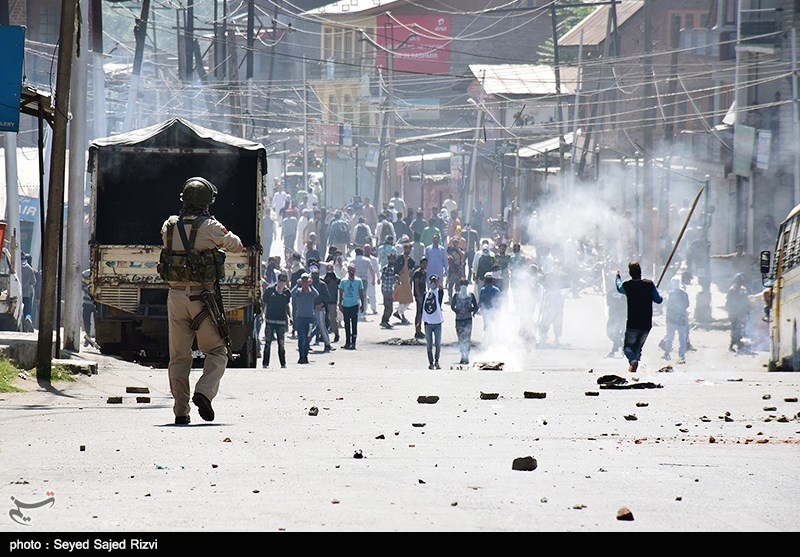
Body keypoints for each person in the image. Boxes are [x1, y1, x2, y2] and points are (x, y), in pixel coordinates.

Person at [160, 176, 244, 425]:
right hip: (203, 298)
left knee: (179, 356)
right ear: (207, 202)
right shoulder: (210, 226)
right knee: (217, 351)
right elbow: (236, 246)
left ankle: (180, 411)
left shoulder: (169, 225)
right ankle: (204, 392)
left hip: (175, 296)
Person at [615, 261, 663, 373]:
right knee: (638, 348)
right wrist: (654, 291)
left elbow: (619, 287)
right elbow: (659, 300)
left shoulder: (627, 285)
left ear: (630, 273)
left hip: (633, 322)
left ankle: (633, 361)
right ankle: (633, 367)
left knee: (627, 347)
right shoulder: (649, 284)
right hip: (646, 323)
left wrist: (617, 277)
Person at [262, 272, 292, 369]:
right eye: (280, 281)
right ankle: (265, 363)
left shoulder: (287, 292)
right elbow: (264, 303)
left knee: (281, 344)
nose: (281, 283)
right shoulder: (270, 290)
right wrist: (261, 314)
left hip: (281, 321)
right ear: (277, 281)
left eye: (284, 281)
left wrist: (290, 317)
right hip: (270, 320)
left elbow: (287, 306)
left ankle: (283, 363)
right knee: (267, 343)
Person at [291, 272, 318, 364]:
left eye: (306, 281)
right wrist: (297, 284)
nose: (305, 283)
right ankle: (301, 356)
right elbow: (291, 294)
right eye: (303, 281)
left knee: (307, 338)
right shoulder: (298, 291)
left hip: (310, 318)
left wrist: (311, 285)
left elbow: (316, 294)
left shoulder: (311, 292)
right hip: (300, 318)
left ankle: (305, 356)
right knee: (301, 338)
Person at [451, 277, 478, 364]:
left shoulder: (470, 295)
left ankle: (466, 356)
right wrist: (459, 311)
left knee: (466, 339)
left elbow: (476, 306)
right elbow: (452, 307)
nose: (463, 287)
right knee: (461, 339)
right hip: (459, 320)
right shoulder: (456, 295)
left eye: (464, 285)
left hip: (467, 320)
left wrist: (469, 311)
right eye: (462, 285)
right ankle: (463, 355)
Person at [662, 276, 690, 364]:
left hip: (672, 320)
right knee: (680, 338)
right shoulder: (683, 294)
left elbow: (666, 305)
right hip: (680, 319)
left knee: (671, 337)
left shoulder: (669, 294)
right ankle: (680, 355)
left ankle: (668, 354)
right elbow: (687, 305)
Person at [339, 264, 365, 350]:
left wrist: (363, 304)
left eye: (353, 269)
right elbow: (341, 293)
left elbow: (361, 293)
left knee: (354, 324)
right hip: (346, 305)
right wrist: (340, 303)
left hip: (354, 304)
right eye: (350, 269)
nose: (351, 271)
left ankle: (353, 342)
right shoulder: (343, 281)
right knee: (347, 324)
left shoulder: (358, 281)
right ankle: (347, 342)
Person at [422, 274, 445, 369]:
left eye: (434, 282)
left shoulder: (438, 293)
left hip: (437, 323)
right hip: (428, 323)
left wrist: (438, 282)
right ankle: (430, 362)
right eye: (432, 281)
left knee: (438, 344)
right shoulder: (426, 294)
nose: (433, 283)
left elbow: (441, 290)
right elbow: (422, 308)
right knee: (429, 345)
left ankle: (437, 361)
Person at [310, 266, 334, 353]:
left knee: (321, 326)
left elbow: (327, 296)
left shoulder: (322, 284)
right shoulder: (309, 284)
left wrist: (322, 304)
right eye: (313, 274)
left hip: (320, 308)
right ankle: (307, 341)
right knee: (311, 327)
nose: (314, 276)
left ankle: (327, 344)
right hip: (310, 308)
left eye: (316, 274)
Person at [725, 273, 751, 354]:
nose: (740, 282)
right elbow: (729, 302)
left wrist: (747, 310)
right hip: (735, 312)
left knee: (741, 329)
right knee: (735, 329)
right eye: (739, 281)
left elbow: (746, 301)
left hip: (742, 312)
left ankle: (740, 344)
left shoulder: (743, 290)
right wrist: (730, 312)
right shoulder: (732, 290)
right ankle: (733, 344)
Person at [393, 241, 415, 325]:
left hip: (406, 280)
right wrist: (396, 277)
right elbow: (396, 268)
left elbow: (413, 264)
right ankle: (402, 316)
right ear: (405, 249)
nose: (409, 250)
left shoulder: (407, 258)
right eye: (408, 249)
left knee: (409, 299)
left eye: (410, 249)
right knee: (402, 299)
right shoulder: (400, 258)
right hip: (401, 280)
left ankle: (398, 312)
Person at [605, 270, 627, 358]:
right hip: (612, 315)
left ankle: (615, 351)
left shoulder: (626, 293)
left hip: (622, 316)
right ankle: (621, 345)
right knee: (609, 333)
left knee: (619, 332)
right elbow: (608, 303)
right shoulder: (610, 292)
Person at [352, 246, 376, 318]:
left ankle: (357, 311)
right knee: (364, 295)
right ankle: (364, 311)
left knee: (356, 296)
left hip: (355, 279)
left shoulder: (353, 260)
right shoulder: (367, 260)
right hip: (364, 279)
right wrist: (373, 279)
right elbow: (371, 270)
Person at [379, 253, 399, 329]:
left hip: (390, 289)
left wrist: (396, 280)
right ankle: (384, 321)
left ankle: (385, 321)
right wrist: (392, 277)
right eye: (391, 259)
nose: (392, 260)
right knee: (388, 307)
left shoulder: (394, 269)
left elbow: (394, 281)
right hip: (386, 289)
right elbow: (383, 278)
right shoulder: (386, 268)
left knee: (389, 307)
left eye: (393, 259)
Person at [322, 267, 341, 344]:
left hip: (332, 302)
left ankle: (336, 334)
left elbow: (339, 282)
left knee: (333, 320)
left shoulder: (336, 280)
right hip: (325, 302)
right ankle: (323, 336)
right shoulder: (324, 280)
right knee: (324, 320)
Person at [21, 253, 37, 331]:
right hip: (26, 293)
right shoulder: (29, 268)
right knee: (27, 309)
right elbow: (33, 282)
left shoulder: (16, 266)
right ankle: (28, 318)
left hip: (16, 293)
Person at [413, 257, 428, 339]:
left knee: (422, 313)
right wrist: (419, 296)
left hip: (423, 295)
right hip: (419, 296)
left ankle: (419, 329)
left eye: (426, 263)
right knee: (418, 313)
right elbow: (416, 286)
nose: (425, 265)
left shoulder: (424, 273)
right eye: (423, 263)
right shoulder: (417, 273)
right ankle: (417, 330)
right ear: (420, 263)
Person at [446, 236, 465, 300]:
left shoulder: (460, 249)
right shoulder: (449, 249)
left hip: (458, 268)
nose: (455, 243)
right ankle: (450, 296)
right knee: (450, 283)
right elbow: (447, 255)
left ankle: (457, 296)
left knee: (458, 283)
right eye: (454, 242)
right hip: (451, 268)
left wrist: (457, 248)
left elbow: (462, 255)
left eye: (456, 242)